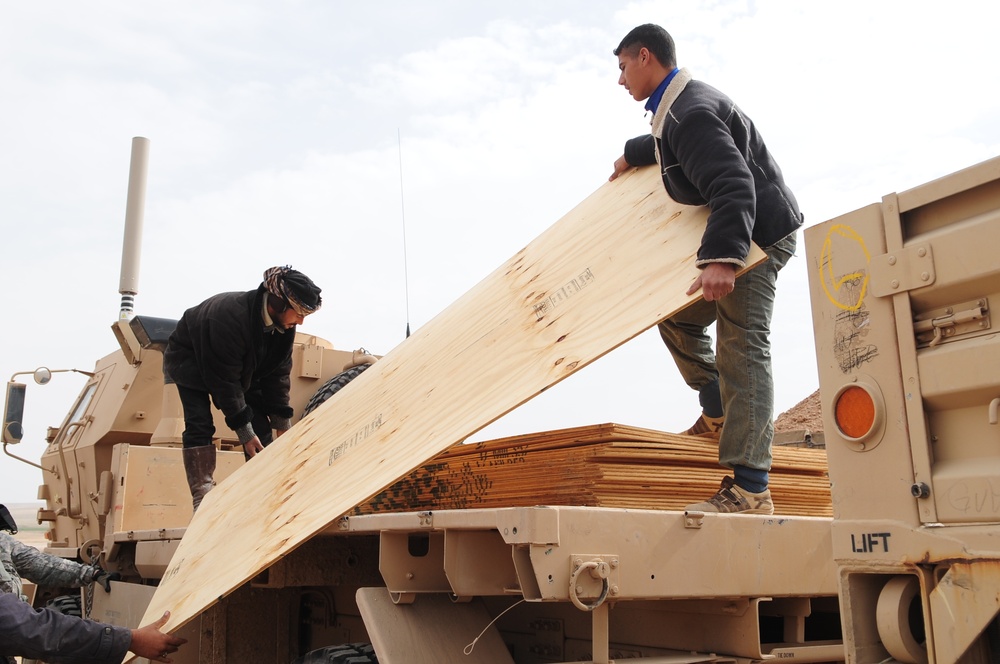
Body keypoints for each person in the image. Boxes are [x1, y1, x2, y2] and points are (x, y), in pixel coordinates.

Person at [610, 24, 803, 515]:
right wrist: (634, 153)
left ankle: (751, 487)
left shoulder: (688, 113)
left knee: (742, 344)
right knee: (676, 317)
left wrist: (723, 258)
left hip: (759, 238)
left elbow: (733, 182)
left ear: (645, 57)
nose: (620, 80)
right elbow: (675, 147)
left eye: (622, 67)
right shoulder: (678, 110)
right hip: (747, 232)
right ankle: (716, 408)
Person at [163, 266, 323, 511]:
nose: (301, 321)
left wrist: (281, 421)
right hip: (191, 357)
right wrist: (244, 433)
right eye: (299, 313)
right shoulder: (228, 318)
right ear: (278, 304)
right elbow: (225, 383)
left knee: (262, 429)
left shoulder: (285, 327)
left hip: (244, 365)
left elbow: (278, 373)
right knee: (199, 422)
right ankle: (202, 495)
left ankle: (265, 491)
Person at [0, 505, 186, 663]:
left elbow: (37, 564)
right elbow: (26, 628)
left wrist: (91, 573)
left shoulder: (3, 543)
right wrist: (129, 640)